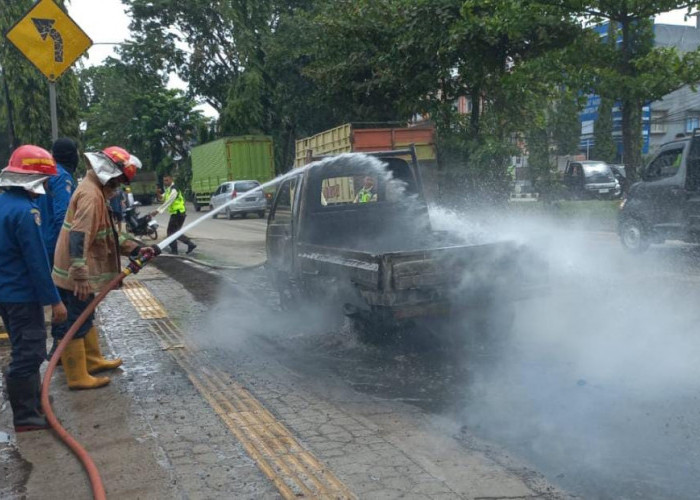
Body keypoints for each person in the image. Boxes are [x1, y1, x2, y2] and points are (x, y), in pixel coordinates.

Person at [51, 146, 159, 390]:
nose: (119, 186)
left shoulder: (95, 190)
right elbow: (79, 235)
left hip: (78, 269)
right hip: (76, 273)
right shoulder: (91, 195)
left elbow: (105, 235)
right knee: (76, 320)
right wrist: (79, 275)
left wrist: (134, 249)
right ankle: (78, 376)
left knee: (86, 314)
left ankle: (92, 360)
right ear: (109, 174)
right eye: (119, 181)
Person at [0, 145, 68, 432]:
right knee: (30, 352)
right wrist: (55, 301)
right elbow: (38, 263)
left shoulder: (3, 204)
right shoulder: (26, 213)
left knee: (22, 347)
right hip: (22, 295)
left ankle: (34, 405)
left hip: (6, 295)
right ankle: (26, 416)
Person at [36, 138, 78, 361]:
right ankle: (61, 348)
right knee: (66, 297)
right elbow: (65, 216)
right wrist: (71, 251)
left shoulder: (47, 175)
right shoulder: (62, 176)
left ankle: (59, 346)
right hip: (58, 246)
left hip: (46, 242)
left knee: (58, 295)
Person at [150, 175, 196, 255]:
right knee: (175, 233)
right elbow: (162, 198)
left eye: (167, 180)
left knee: (171, 233)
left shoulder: (174, 189)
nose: (165, 182)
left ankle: (175, 251)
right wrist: (158, 193)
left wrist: (157, 211)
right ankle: (189, 244)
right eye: (164, 180)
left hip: (178, 213)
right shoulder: (169, 189)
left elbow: (169, 202)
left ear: (171, 180)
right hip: (178, 213)